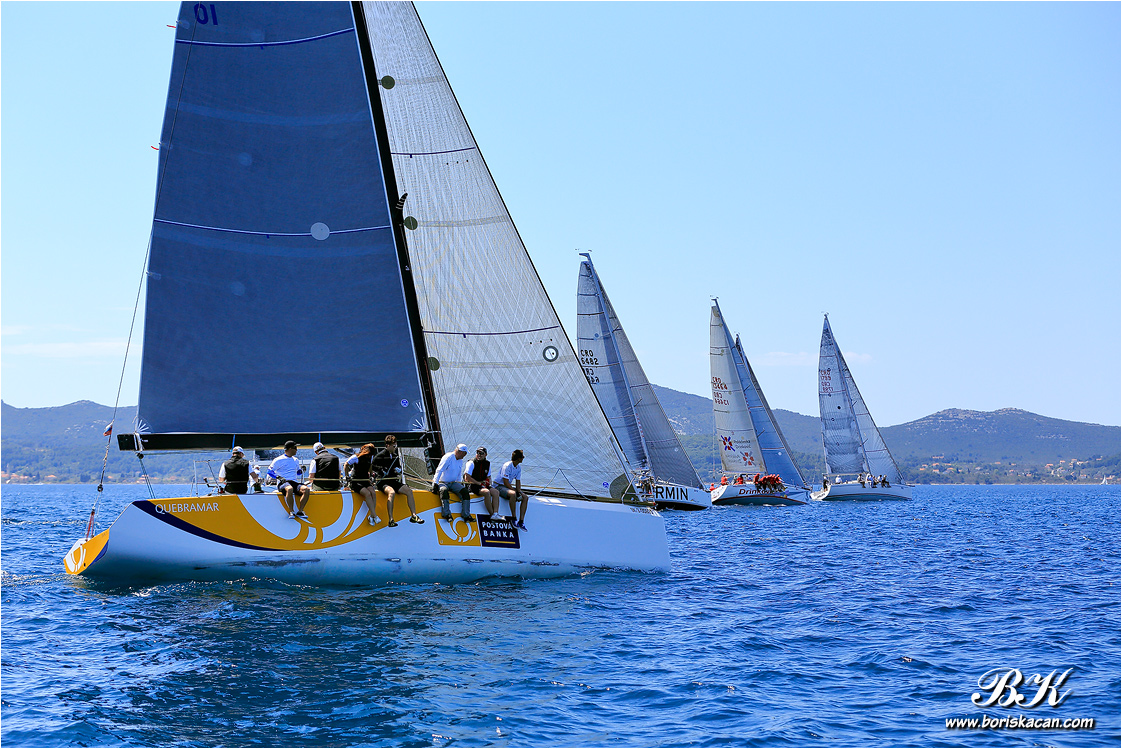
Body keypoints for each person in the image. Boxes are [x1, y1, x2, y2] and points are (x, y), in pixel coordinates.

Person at [372, 434, 423, 526]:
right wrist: (382, 470)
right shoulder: (380, 456)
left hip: (393, 481)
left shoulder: (395, 456)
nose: (395, 448)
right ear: (388, 445)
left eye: (396, 446)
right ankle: (391, 519)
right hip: (383, 482)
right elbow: (373, 467)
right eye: (394, 446)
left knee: (409, 491)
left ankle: (414, 515)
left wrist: (398, 470)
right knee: (391, 492)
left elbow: (397, 467)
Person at [269, 440, 310, 519]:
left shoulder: (295, 460)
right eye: (295, 448)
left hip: (294, 482)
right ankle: (291, 511)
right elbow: (269, 471)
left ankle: (300, 511)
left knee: (306, 489)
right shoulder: (278, 460)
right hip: (283, 483)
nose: (296, 450)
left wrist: (302, 470)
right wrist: (279, 477)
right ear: (290, 449)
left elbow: (298, 472)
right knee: (289, 489)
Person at [432, 443, 472, 522]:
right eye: (465, 453)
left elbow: (458, 474)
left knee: (464, 492)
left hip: (453, 483)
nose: (465, 455)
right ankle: (447, 514)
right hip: (442, 482)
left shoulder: (460, 460)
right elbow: (439, 470)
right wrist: (435, 483)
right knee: (443, 490)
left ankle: (466, 515)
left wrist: (459, 484)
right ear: (460, 452)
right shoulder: (448, 457)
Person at [345, 443, 382, 526]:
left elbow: (370, 466)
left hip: (365, 480)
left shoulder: (370, 458)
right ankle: (375, 515)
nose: (370, 456)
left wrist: (371, 474)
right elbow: (346, 464)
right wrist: (347, 476)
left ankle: (371, 516)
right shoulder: (356, 457)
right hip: (356, 481)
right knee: (367, 494)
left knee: (373, 492)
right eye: (369, 454)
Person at [496, 449, 528, 531]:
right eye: (522, 457)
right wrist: (515, 492)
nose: (523, 458)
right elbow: (505, 482)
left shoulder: (518, 467)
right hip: (499, 486)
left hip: (507, 487)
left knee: (525, 497)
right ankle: (513, 518)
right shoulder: (507, 466)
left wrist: (519, 492)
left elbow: (518, 481)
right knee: (513, 494)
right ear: (519, 458)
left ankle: (521, 521)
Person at [464, 446, 501, 518]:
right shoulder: (471, 462)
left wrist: (487, 482)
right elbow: (467, 478)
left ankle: (495, 513)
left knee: (496, 492)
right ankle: (492, 514)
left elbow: (488, 477)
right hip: (473, 485)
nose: (479, 455)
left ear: (485, 455)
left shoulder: (487, 463)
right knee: (486, 492)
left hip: (482, 485)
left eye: (481, 453)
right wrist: (479, 483)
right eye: (477, 453)